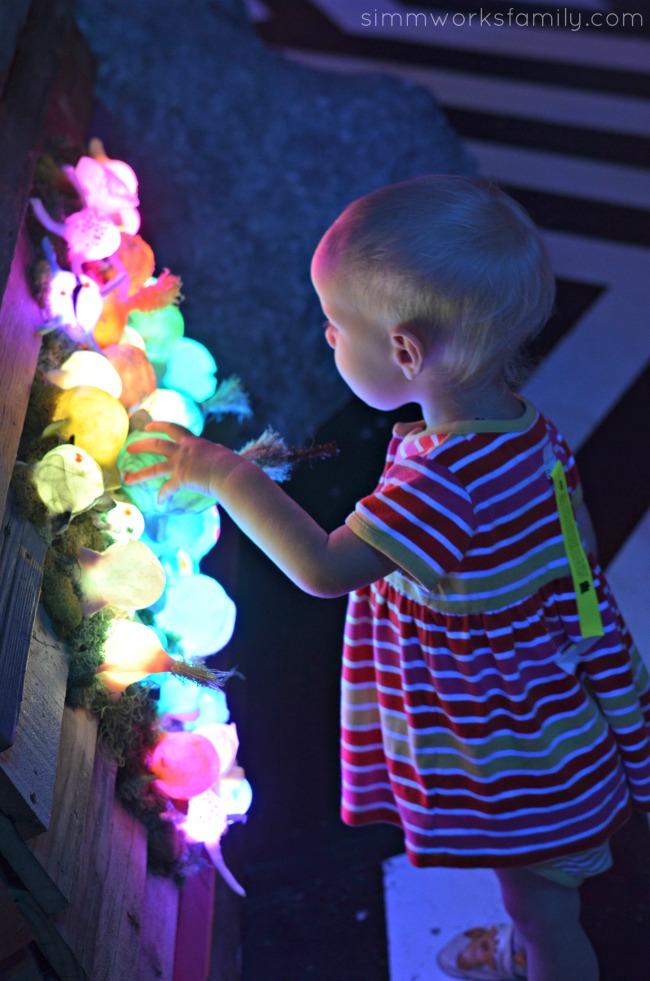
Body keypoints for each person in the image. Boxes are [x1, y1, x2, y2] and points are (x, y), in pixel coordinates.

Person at [125, 176, 650, 981]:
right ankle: (535, 943)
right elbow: (566, 559)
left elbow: (326, 566)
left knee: (543, 907)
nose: (328, 340)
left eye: (336, 327)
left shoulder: (443, 483)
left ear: (405, 351)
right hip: (542, 704)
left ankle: (548, 960)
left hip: (520, 750)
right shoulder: (521, 430)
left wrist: (222, 474)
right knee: (539, 895)